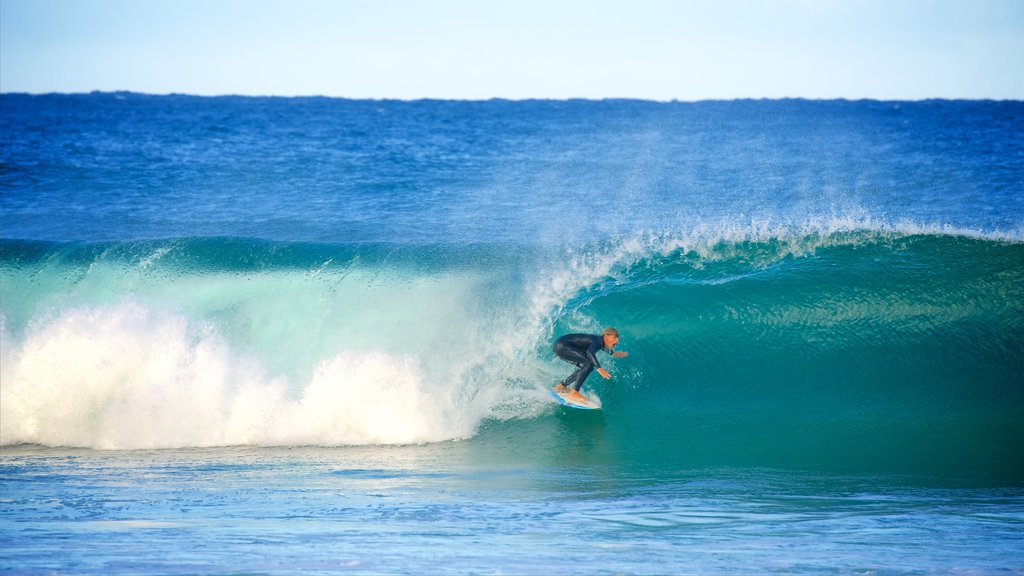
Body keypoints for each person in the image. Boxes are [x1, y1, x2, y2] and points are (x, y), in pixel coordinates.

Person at [552, 327, 628, 401]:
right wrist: (599, 368)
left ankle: (561, 386)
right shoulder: (598, 341)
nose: (617, 340)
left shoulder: (599, 342)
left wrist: (615, 354)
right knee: (589, 364)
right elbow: (589, 352)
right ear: (606, 336)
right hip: (563, 346)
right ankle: (574, 392)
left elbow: (606, 350)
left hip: (560, 347)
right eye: (615, 337)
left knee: (586, 367)